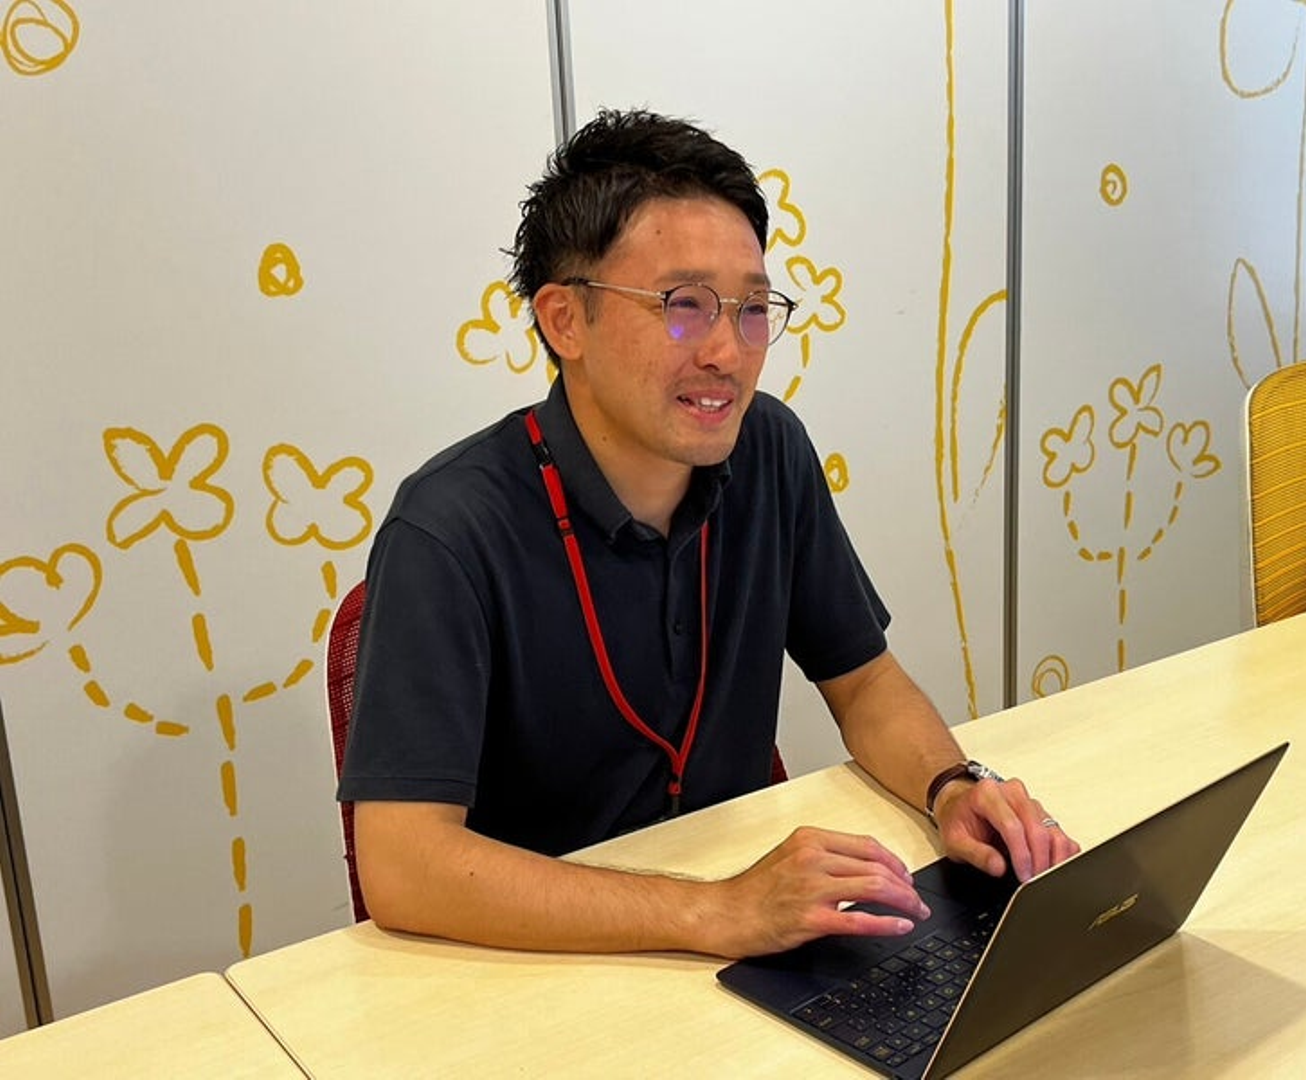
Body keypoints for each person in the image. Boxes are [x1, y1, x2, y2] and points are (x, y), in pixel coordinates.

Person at [338, 108, 1078, 959]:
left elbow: (865, 683)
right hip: (535, 963)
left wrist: (951, 787)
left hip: (743, 929)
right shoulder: (449, 530)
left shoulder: (768, 451)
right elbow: (404, 865)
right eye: (683, 306)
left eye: (753, 308)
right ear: (564, 320)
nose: (728, 350)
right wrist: (711, 912)